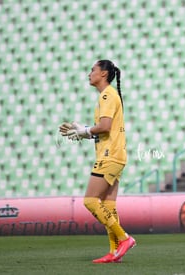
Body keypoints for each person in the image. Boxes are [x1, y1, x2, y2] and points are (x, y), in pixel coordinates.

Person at [59, 60, 135, 263]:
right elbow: (103, 130)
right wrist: (82, 130)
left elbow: (105, 126)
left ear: (103, 73)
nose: (89, 73)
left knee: (90, 201)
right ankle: (114, 252)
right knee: (108, 204)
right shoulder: (109, 95)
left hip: (109, 156)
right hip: (117, 154)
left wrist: (84, 130)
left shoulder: (107, 95)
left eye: (92, 70)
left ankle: (124, 238)